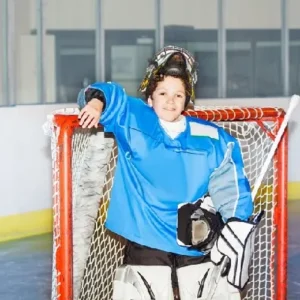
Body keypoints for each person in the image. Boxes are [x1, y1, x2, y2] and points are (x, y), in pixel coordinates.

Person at [77, 46, 258, 300]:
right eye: (163, 93)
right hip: (146, 243)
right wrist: (96, 103)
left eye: (178, 95)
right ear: (149, 98)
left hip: (196, 245)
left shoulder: (212, 138)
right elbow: (109, 93)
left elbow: (229, 184)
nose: (170, 100)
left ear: (187, 100)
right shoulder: (137, 121)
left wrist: (237, 222)